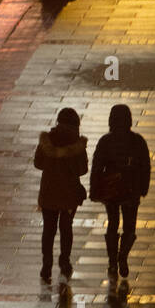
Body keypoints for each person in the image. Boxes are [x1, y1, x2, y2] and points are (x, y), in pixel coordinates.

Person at [90, 104, 151, 282]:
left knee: (113, 223)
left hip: (112, 191)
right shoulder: (138, 141)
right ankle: (123, 255)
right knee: (129, 227)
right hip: (131, 191)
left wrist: (94, 190)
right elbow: (145, 167)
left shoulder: (105, 141)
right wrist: (143, 187)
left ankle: (112, 261)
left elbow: (97, 167)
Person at [33, 107, 88, 283]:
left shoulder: (47, 141)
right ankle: (64, 262)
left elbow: (38, 164)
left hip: (49, 193)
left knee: (48, 230)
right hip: (69, 195)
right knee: (66, 229)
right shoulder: (78, 145)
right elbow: (83, 170)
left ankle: (46, 265)